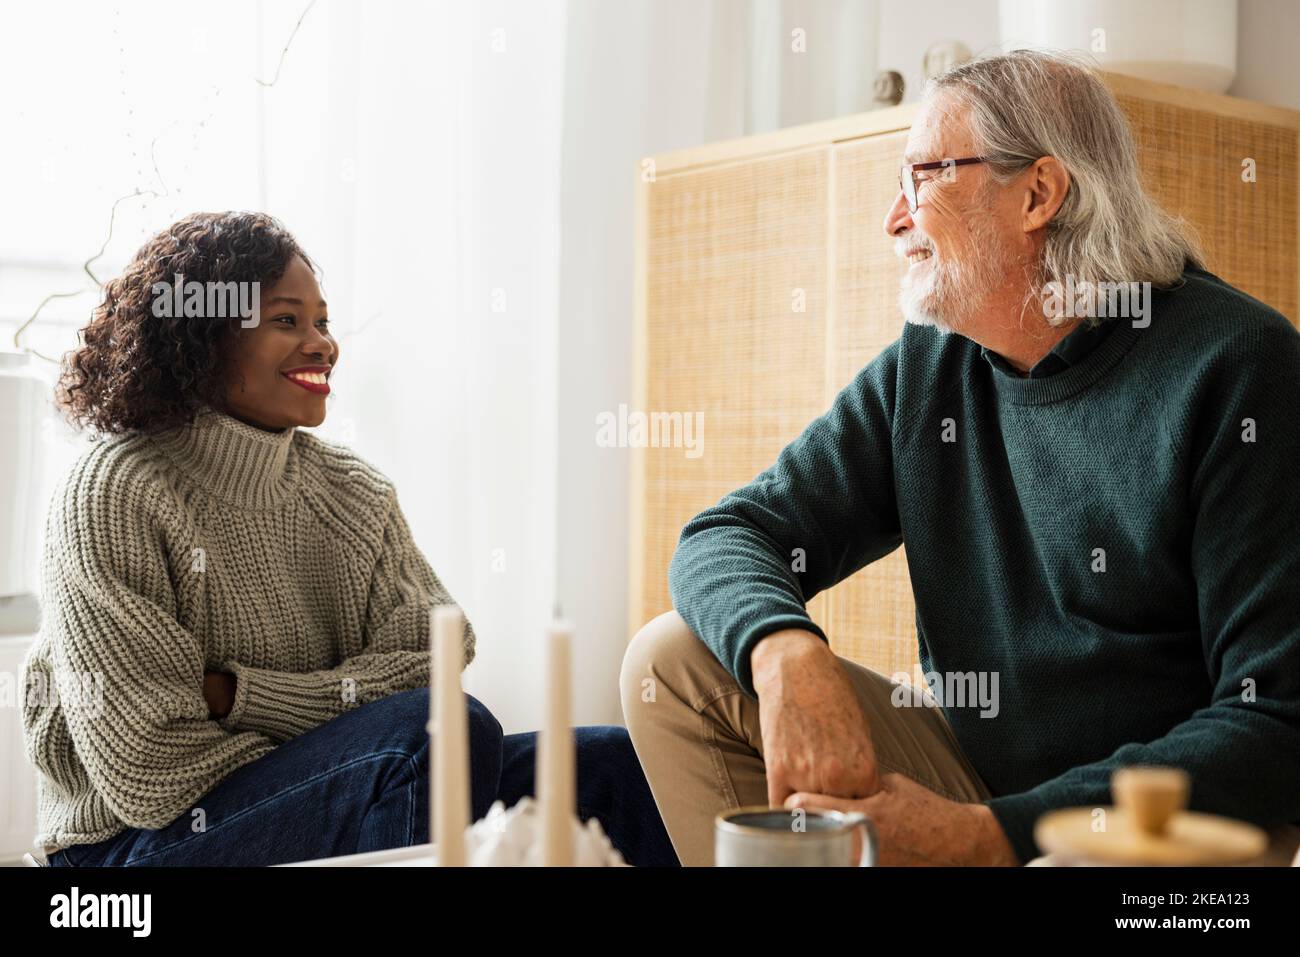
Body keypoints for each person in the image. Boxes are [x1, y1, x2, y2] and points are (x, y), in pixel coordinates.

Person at [621, 49, 1300, 867]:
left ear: (1039, 194)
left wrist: (990, 837)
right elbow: (727, 534)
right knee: (672, 661)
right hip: (982, 786)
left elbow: (1277, 722)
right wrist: (785, 650)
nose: (894, 218)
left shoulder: (1240, 366)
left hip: (1157, 832)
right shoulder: (931, 366)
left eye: (922, 177)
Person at [24, 210, 675, 866]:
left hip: (314, 786)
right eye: (287, 320)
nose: (322, 344)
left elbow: (433, 654)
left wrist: (241, 696)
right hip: (131, 848)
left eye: (323, 322)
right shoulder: (113, 491)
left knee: (608, 767)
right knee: (436, 736)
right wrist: (340, 746)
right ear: (201, 335)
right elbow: (150, 765)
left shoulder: (351, 491)